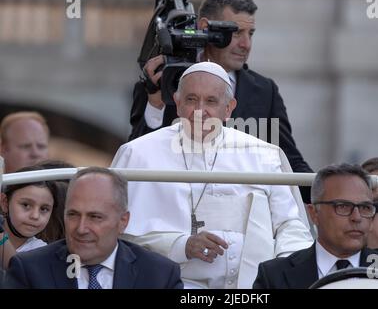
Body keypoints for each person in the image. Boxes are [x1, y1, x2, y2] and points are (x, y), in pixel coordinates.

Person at [111, 61, 313, 289]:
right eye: (191, 99)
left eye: (211, 101)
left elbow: (290, 226)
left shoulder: (263, 155)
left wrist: (283, 272)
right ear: (177, 103)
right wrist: (181, 245)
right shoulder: (138, 155)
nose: (200, 111)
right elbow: (117, 236)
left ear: (228, 108)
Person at [129, 0, 313, 201]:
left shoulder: (265, 91)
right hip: (174, 212)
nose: (246, 44)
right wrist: (155, 103)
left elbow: (289, 163)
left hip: (245, 221)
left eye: (250, 34)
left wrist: (331, 194)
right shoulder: (162, 80)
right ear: (205, 28)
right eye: (236, 33)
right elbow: (137, 159)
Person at [253, 163, 378, 289]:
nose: (356, 217)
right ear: (314, 213)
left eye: (365, 208)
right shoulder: (274, 275)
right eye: (343, 206)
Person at [6, 167, 183, 289]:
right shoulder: (29, 269)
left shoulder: (159, 275)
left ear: (123, 221)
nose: (81, 228)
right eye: (73, 215)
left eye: (95, 217)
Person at [0, 165, 59, 269]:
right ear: (5, 203)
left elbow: (18, 275)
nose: (35, 216)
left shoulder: (42, 253)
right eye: (26, 205)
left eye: (44, 209)